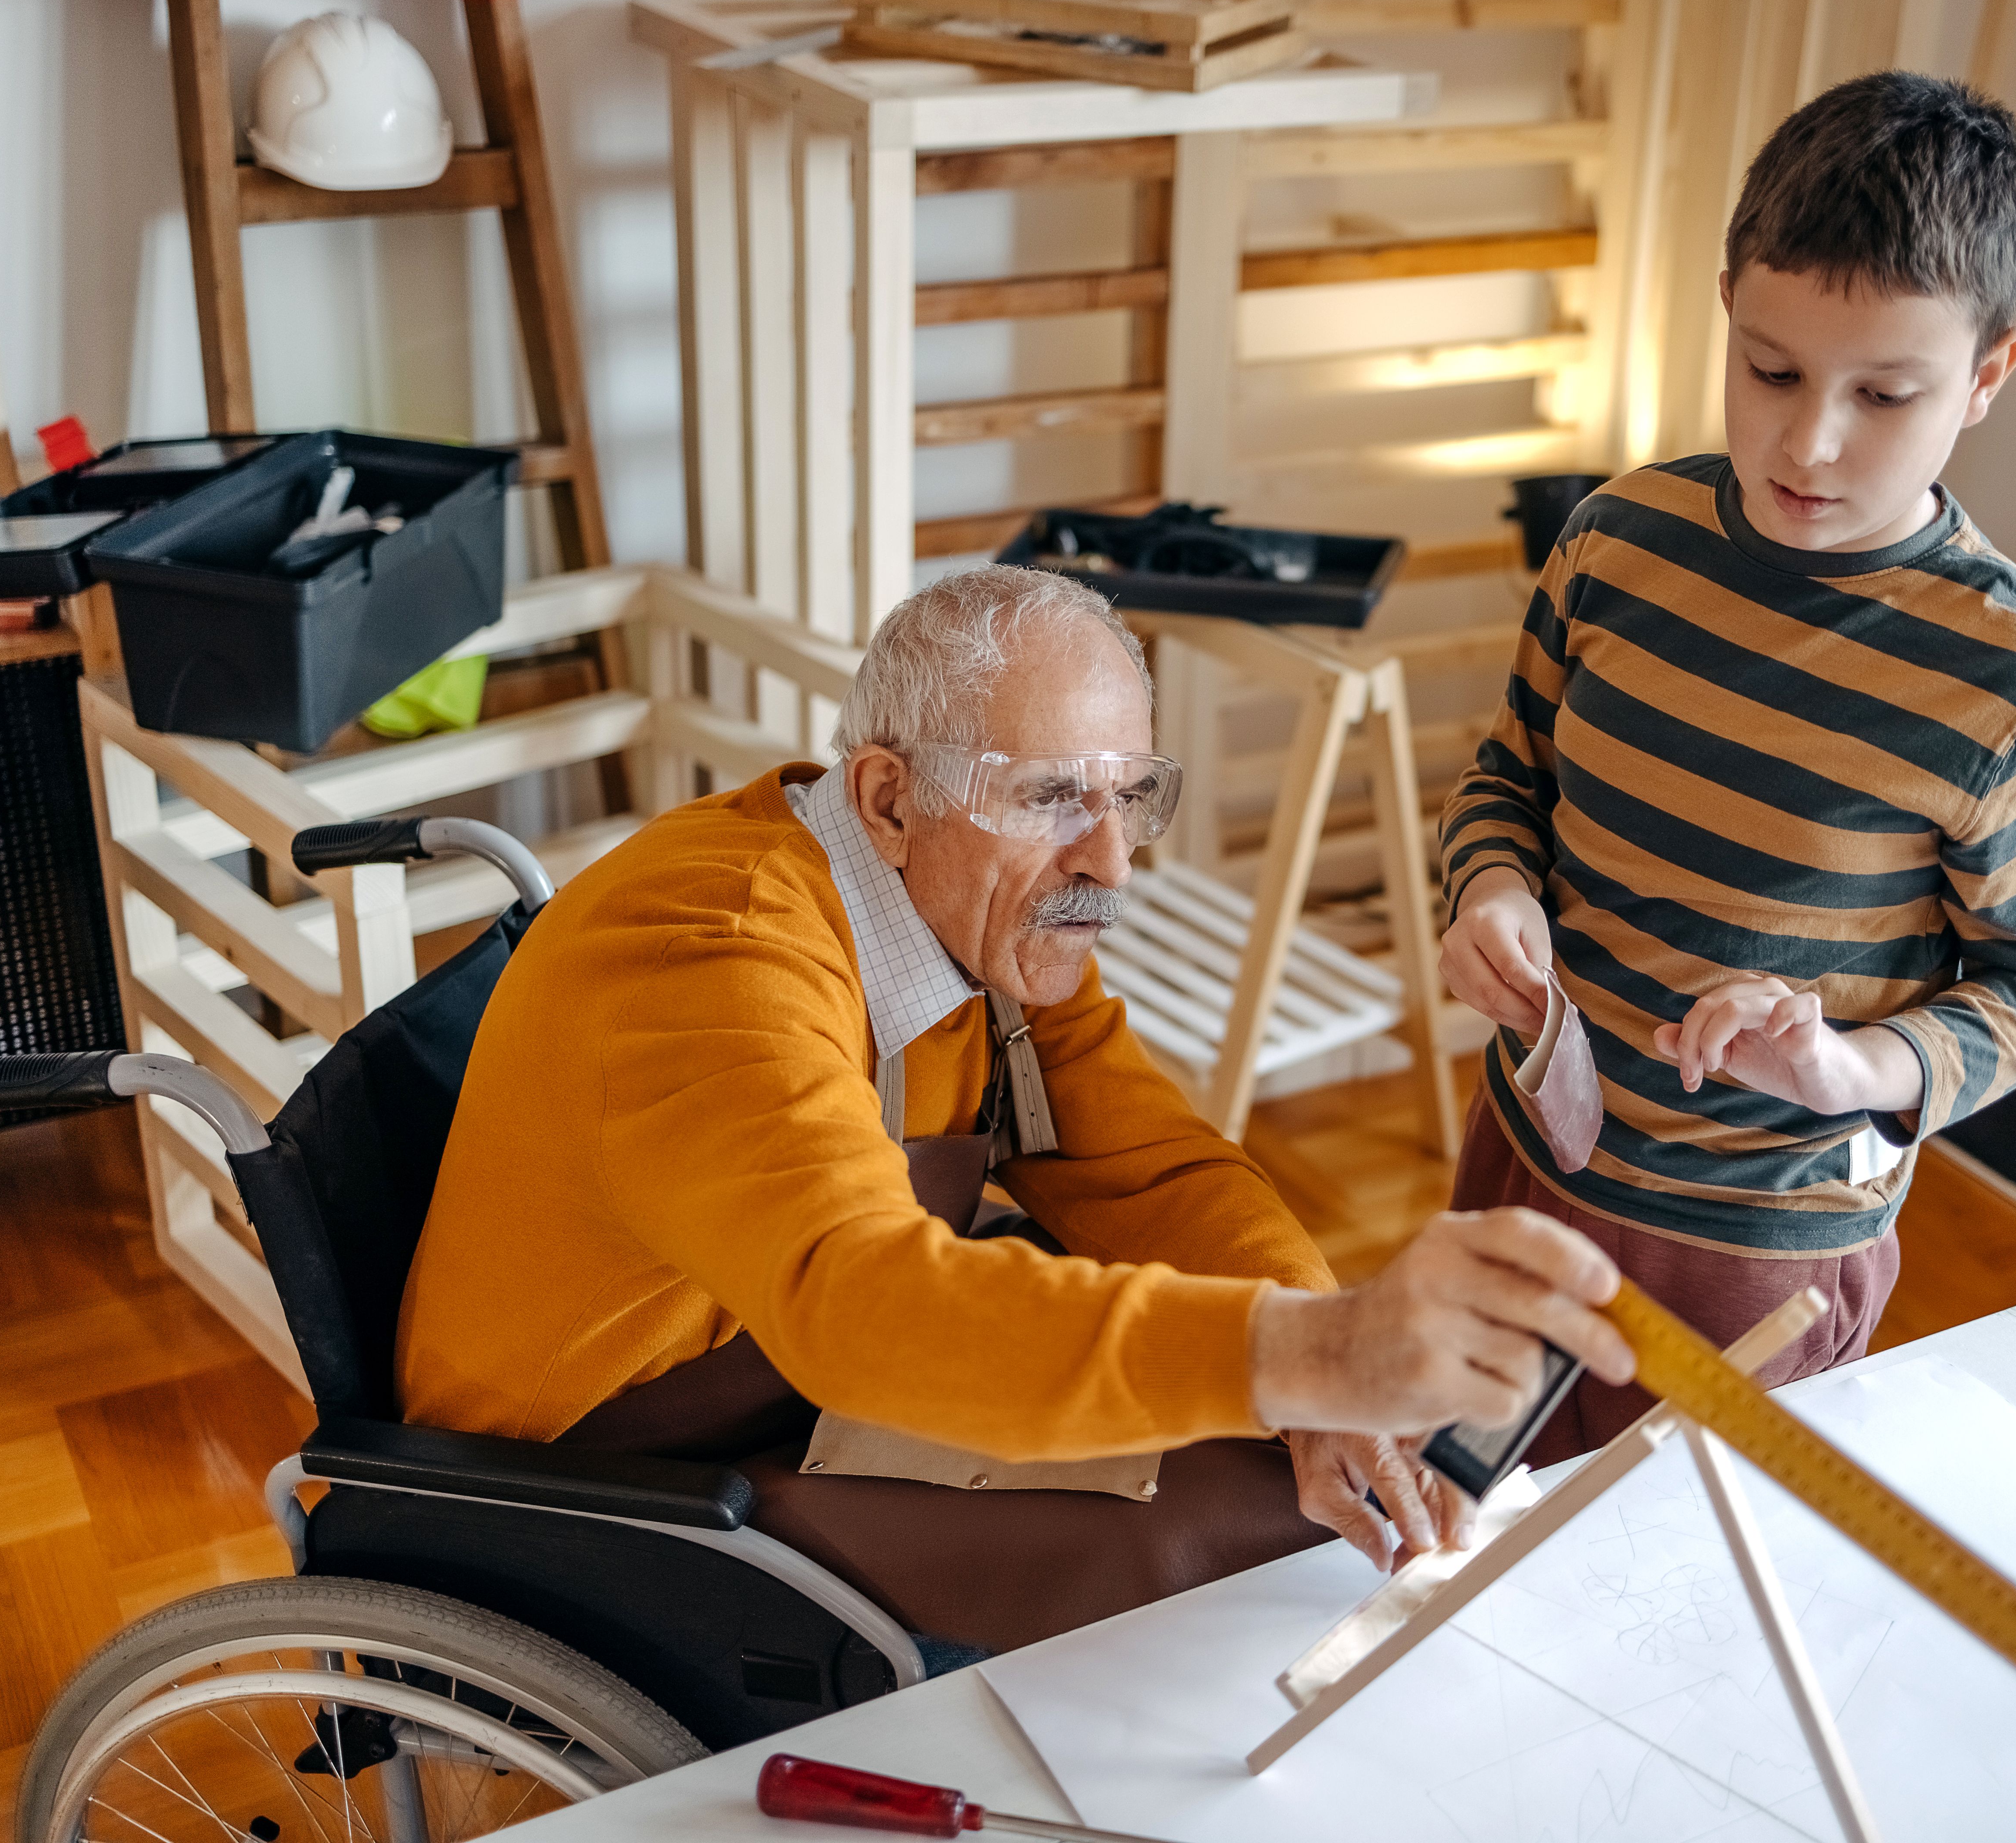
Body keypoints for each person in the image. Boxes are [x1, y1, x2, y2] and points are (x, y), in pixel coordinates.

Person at [395, 564, 1633, 1657]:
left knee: (1277, 1477)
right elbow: (868, 1302)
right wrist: (1306, 1353)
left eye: (1131, 795)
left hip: (787, 1380)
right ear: (888, 800)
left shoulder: (973, 919)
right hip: (596, 1484)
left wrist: (1314, 1355)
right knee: (1223, 1556)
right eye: (1051, 799)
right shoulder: (714, 962)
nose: (1114, 862)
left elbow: (1146, 1170)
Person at [1438, 71, 2016, 1461]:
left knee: (1674, 1598)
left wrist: (1862, 1067)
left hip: (1757, 1252)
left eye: (1885, 394)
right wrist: (1493, 887)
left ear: (1989, 376)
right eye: (1772, 370)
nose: (1808, 443)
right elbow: (1511, 773)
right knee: (1453, 1519)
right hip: (1525, 1152)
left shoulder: (2010, 682)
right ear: (1732, 315)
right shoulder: (1619, 539)